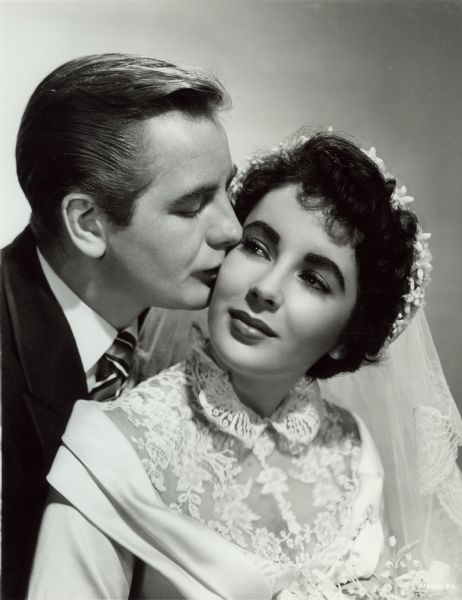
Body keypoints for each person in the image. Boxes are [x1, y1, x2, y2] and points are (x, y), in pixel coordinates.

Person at [28, 132, 462, 599]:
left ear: (346, 337)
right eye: (257, 247)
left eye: (313, 279)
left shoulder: (353, 451)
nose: (266, 288)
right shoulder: (109, 447)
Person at [1, 53, 242, 600]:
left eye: (227, 189)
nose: (232, 228)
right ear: (87, 222)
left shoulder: (209, 329)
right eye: (192, 206)